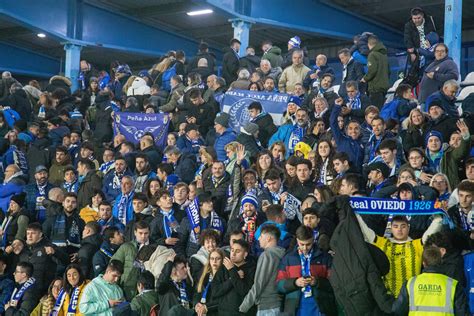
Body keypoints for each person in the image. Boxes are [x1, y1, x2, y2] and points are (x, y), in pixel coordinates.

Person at [357, 214, 443, 296]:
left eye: (403, 226)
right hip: (388, 298)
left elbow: (434, 228)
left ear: (408, 228)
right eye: (395, 226)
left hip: (411, 297)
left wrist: (438, 214)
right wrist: (355, 214)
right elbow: (365, 231)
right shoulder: (383, 243)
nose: (399, 230)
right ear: (391, 228)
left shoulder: (417, 245)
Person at [276, 226, 335, 315]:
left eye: (308, 244)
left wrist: (317, 282)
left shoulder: (325, 258)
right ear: (297, 240)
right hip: (295, 310)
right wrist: (295, 282)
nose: (305, 248)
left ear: (313, 239)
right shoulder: (288, 259)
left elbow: (334, 284)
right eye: (301, 244)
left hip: (321, 308)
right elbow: (278, 285)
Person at [392, 246, 468, 315]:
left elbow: (397, 310)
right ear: (440, 261)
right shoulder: (453, 285)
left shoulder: (411, 283)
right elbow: (462, 312)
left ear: (423, 263)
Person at [239, 225, 285, 315]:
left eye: (261, 236)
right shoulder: (282, 254)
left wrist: (244, 306)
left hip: (267, 307)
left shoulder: (267, 255)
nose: (259, 239)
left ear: (268, 238)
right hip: (278, 304)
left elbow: (259, 283)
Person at [212, 239, 256, 315]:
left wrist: (232, 271)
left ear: (245, 254)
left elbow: (244, 292)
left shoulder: (252, 269)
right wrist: (232, 279)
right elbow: (215, 291)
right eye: (232, 250)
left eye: (238, 251)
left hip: (243, 313)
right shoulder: (223, 267)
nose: (233, 254)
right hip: (223, 313)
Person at [111, 220, 151, 301]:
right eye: (140, 233)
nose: (143, 236)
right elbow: (113, 265)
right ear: (135, 232)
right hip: (127, 288)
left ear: (149, 233)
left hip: (148, 287)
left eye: (146, 233)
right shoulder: (126, 247)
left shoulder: (155, 247)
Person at [360, 35, 389, 108]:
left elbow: (372, 70)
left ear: (368, 44)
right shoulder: (384, 55)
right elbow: (389, 71)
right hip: (384, 87)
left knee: (374, 111)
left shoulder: (372, 55)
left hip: (375, 88)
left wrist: (364, 79)